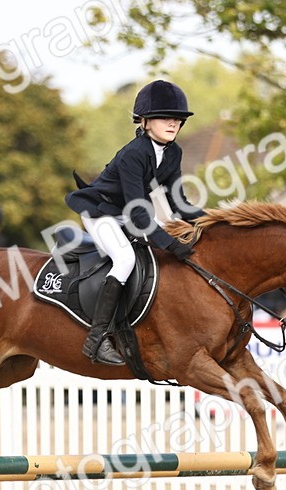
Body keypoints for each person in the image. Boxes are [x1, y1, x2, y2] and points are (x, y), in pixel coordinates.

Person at [65, 79, 205, 365]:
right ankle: (97, 339)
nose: (173, 123)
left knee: (153, 256)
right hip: (101, 212)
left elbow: (178, 203)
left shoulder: (173, 152)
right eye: (165, 117)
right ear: (144, 121)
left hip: (129, 214)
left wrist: (213, 222)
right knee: (125, 260)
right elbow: (139, 214)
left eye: (178, 118)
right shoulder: (134, 153)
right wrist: (170, 244)